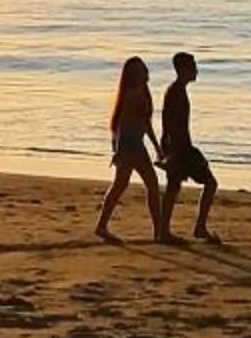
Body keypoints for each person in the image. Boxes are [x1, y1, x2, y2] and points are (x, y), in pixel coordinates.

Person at [94, 54, 165, 243]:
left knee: (122, 184)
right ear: (135, 74)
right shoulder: (133, 94)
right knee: (150, 183)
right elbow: (124, 124)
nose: (146, 71)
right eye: (141, 69)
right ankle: (158, 231)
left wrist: (157, 147)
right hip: (129, 144)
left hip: (134, 143)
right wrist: (119, 150)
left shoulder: (143, 91)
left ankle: (102, 226)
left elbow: (146, 123)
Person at [158, 50, 219, 241]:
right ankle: (171, 230)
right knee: (207, 183)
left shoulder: (178, 90)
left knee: (174, 187)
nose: (197, 70)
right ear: (183, 69)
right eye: (193, 66)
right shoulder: (176, 92)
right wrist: (172, 154)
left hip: (180, 147)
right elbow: (172, 124)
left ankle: (169, 230)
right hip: (180, 148)